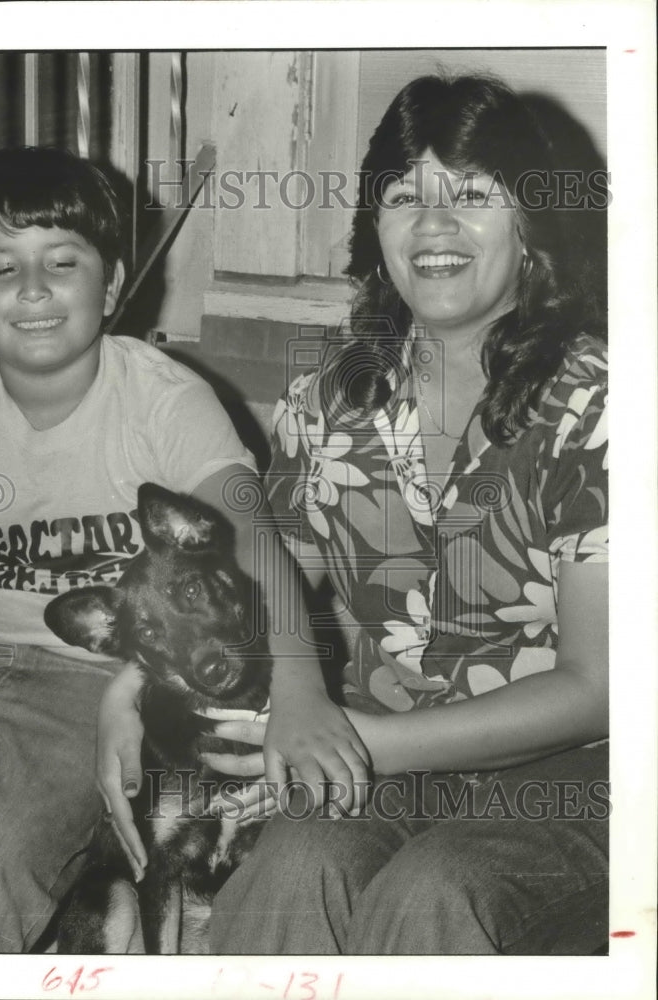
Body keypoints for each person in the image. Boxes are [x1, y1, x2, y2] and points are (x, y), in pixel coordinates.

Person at [0, 145, 367, 953]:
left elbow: (250, 540)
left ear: (114, 284)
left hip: (88, 683)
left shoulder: (164, 400)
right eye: (1, 268)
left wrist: (301, 687)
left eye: (63, 262)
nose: (33, 289)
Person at [203, 74, 609, 954]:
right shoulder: (332, 396)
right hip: (387, 751)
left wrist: (367, 744)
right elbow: (266, 585)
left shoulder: (600, 404)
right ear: (373, 225)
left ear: (531, 223)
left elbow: (598, 687)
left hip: (585, 774)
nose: (433, 225)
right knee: (293, 871)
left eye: (471, 195)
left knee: (433, 893)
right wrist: (141, 686)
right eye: (402, 197)